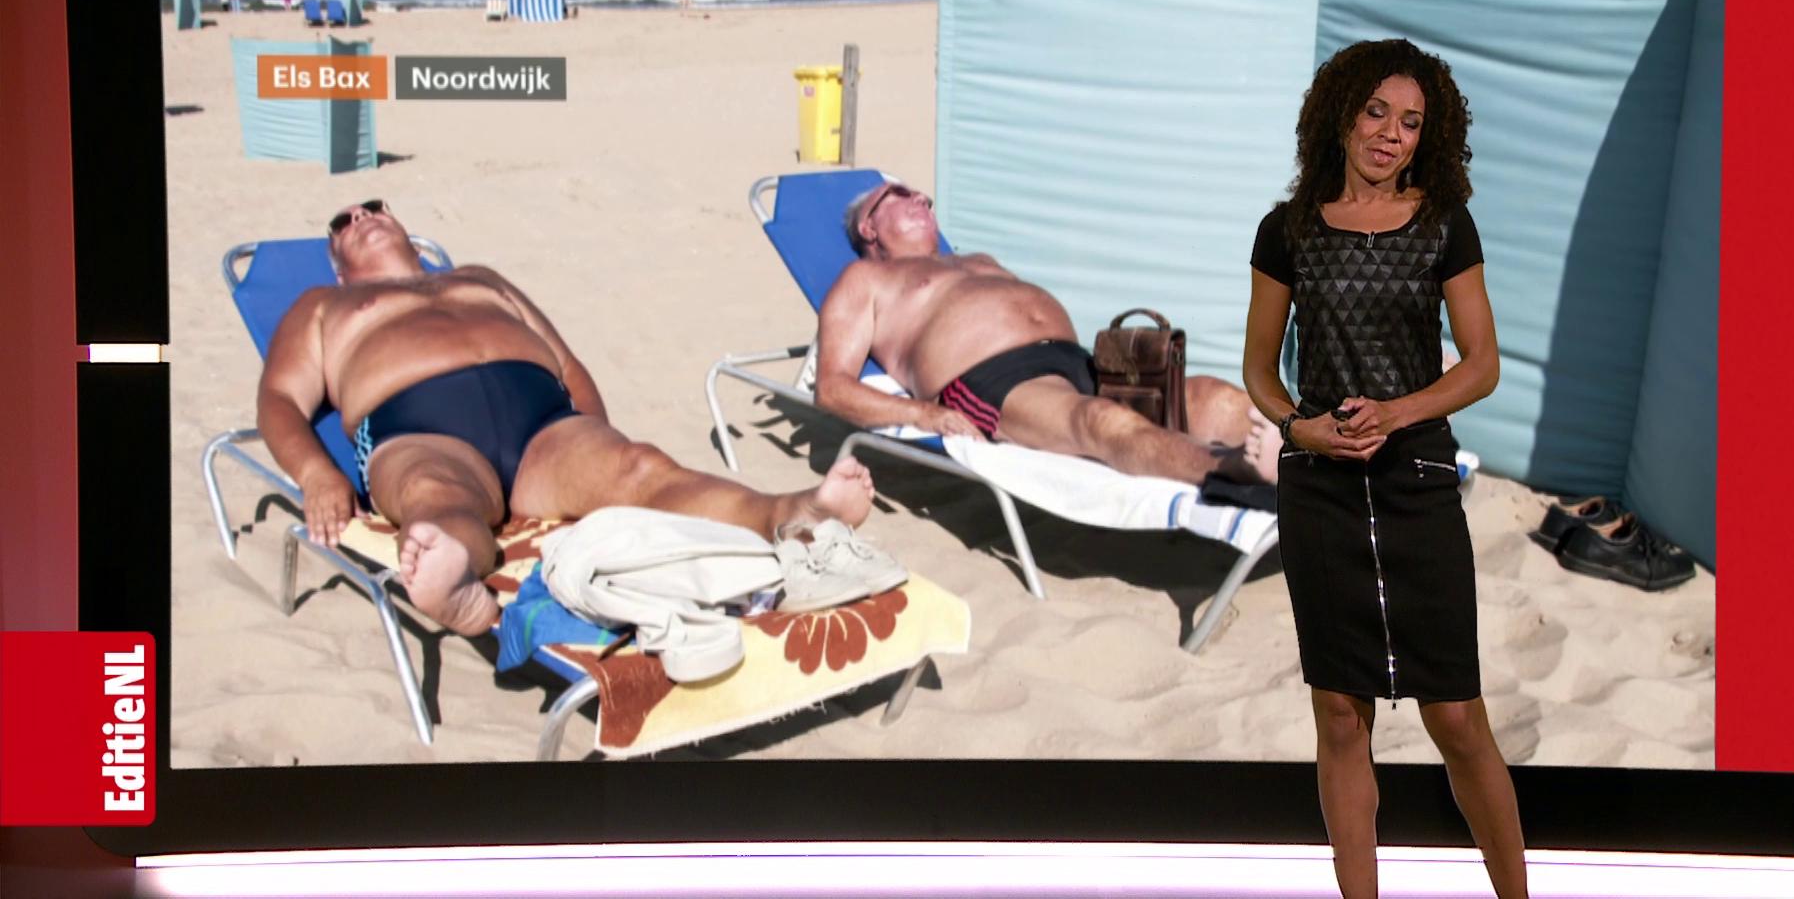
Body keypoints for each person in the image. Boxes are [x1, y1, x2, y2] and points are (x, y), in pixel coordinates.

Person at [258, 200, 878, 637]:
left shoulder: (478, 277)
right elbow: (280, 399)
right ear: (337, 263)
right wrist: (317, 474)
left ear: (407, 231)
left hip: (543, 424)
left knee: (641, 467)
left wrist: (599, 439)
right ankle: (458, 581)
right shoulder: (323, 305)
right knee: (435, 497)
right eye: (344, 221)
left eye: (373, 208)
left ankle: (788, 513)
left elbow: (565, 363)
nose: (362, 217)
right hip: (417, 427)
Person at [1241, 38, 1527, 898]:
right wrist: (1300, 428)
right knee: (1339, 714)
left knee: (1456, 717)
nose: (1389, 135)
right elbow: (1259, 368)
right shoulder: (1286, 231)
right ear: (1341, 114)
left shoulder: (1445, 225)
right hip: (1319, 489)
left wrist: (1399, 412)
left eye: (1409, 122)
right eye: (1376, 112)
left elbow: (1482, 363)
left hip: (1418, 483)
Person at [817, 180, 1280, 487]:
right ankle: (1233, 469)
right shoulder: (865, 280)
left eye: (924, 198)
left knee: (1212, 396)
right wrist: (924, 414)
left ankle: (1308, 454)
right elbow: (832, 387)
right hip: (991, 380)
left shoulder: (976, 259)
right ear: (868, 225)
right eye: (901, 195)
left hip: (1074, 360)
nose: (921, 198)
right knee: (1101, 422)